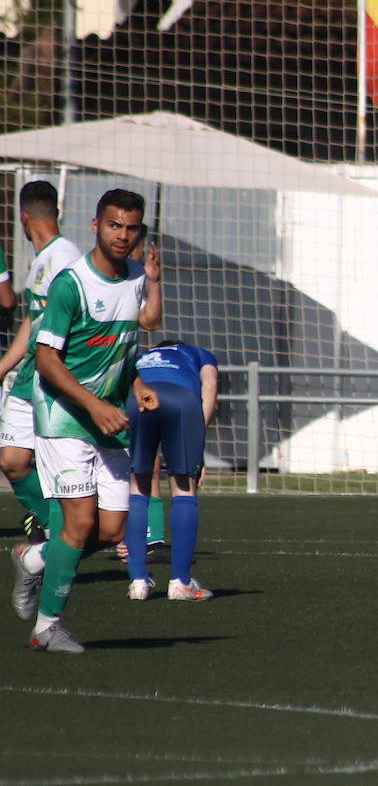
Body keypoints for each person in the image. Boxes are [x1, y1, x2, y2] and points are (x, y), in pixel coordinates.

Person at [9, 188, 162, 653]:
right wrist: (94, 405)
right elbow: (48, 360)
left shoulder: (136, 276)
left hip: (106, 418)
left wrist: (136, 385)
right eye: (114, 225)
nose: (123, 235)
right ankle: (46, 629)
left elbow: (134, 339)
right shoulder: (70, 283)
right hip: (62, 416)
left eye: (132, 227)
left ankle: (34, 557)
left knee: (114, 529)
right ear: (95, 226)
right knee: (79, 522)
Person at [0, 181, 83, 545]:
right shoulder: (42, 260)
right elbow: (34, 320)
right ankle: (53, 524)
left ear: (24, 217)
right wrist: (4, 366)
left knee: (61, 465)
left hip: (50, 376)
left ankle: (69, 532)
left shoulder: (64, 256)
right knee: (12, 460)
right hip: (27, 375)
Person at [124, 340, 218, 602]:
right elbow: (209, 385)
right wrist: (197, 438)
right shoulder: (199, 353)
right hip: (180, 400)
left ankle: (138, 582)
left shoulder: (143, 356)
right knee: (183, 487)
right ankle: (180, 582)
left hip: (138, 400)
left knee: (137, 486)